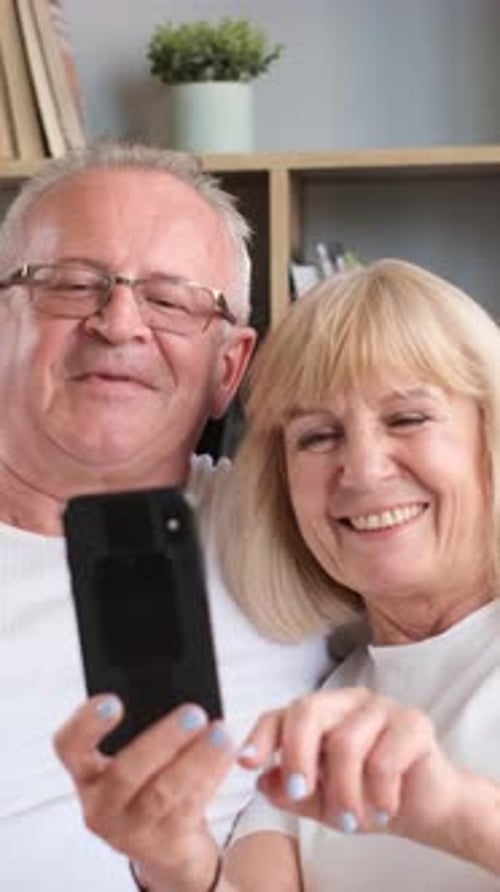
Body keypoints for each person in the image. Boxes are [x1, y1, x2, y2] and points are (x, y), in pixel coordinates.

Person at [56, 258, 500, 891]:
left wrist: (462, 816)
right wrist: (176, 864)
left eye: (408, 418)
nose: (365, 470)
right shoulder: (321, 711)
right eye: (318, 436)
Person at [0, 141, 330, 892]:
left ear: (229, 368)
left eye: (173, 299)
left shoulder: (306, 530)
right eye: (71, 284)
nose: (119, 323)